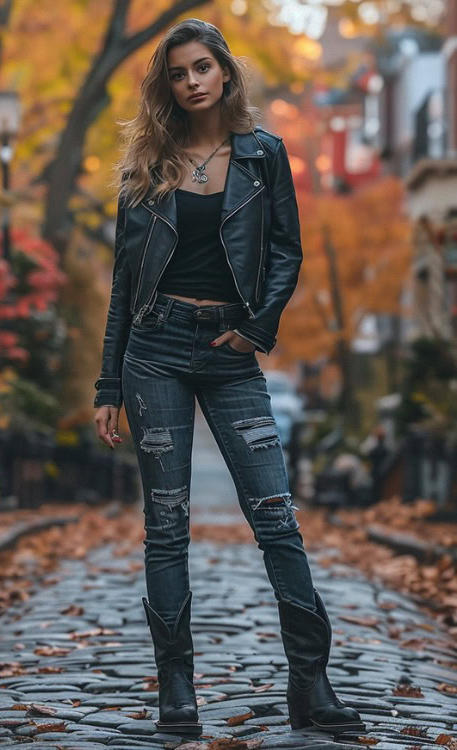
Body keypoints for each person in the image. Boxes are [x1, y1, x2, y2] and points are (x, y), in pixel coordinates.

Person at [93, 18, 365, 737]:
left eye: (201, 68)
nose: (191, 82)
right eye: (177, 73)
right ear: (167, 84)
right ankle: (177, 692)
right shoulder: (144, 169)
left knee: (276, 516)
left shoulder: (264, 155)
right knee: (167, 526)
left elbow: (286, 251)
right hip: (153, 351)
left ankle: (312, 683)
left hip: (230, 351)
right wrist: (108, 385)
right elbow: (125, 284)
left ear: (224, 72)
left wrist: (257, 327)